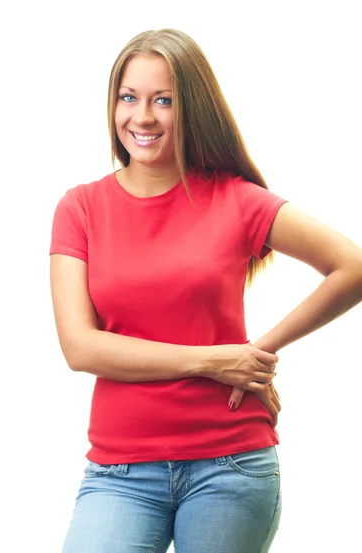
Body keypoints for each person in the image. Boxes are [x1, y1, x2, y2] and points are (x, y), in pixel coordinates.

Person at [48, 28, 362, 553]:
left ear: (192, 108)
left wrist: (257, 353)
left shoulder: (237, 201)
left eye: (163, 100)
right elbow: (80, 347)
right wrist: (213, 361)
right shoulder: (80, 208)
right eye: (129, 97)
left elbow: (351, 267)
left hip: (230, 463)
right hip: (120, 469)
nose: (142, 116)